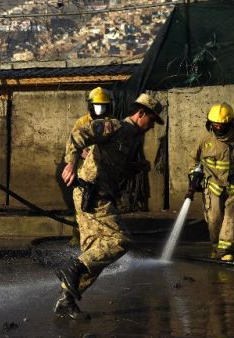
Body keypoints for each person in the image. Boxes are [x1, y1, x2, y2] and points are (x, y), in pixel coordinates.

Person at [56, 93, 163, 320]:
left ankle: (67, 300)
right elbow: (79, 134)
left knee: (95, 252)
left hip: (100, 194)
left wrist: (136, 166)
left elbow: (115, 163)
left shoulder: (134, 137)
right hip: (92, 193)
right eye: (151, 120)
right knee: (119, 240)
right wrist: (71, 163)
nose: (152, 126)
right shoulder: (115, 126)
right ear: (140, 113)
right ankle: (73, 268)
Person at [63, 87, 113, 246]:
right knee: (82, 207)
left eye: (103, 105)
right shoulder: (82, 122)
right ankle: (77, 238)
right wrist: (79, 155)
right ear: (91, 106)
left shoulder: (111, 123)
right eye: (97, 105)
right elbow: (73, 144)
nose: (100, 108)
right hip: (84, 172)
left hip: (103, 172)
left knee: (102, 208)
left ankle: (101, 242)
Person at [188, 103, 234, 261]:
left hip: (233, 189)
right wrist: (194, 177)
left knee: (230, 219)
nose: (218, 127)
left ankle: (225, 251)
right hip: (213, 187)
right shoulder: (204, 140)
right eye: (215, 124)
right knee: (214, 219)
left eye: (222, 125)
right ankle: (215, 248)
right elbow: (194, 161)